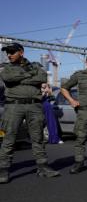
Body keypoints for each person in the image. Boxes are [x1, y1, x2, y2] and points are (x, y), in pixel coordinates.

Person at [0, 43, 60, 183]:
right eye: (8, 52)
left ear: (21, 52)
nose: (9, 54)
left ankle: (43, 166)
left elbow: (42, 77)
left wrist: (21, 76)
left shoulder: (35, 66)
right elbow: (8, 78)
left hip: (34, 105)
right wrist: (29, 76)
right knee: (9, 138)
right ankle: (3, 169)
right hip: (14, 106)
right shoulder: (7, 68)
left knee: (37, 137)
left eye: (12, 52)